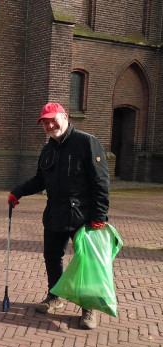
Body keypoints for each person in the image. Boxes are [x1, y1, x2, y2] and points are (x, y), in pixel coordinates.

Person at [8, 102, 109, 329]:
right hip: (54, 214)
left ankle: (88, 308)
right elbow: (39, 181)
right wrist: (18, 192)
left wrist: (100, 215)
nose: (50, 125)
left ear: (64, 117)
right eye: (45, 122)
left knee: (87, 264)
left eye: (53, 119)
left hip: (84, 216)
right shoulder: (48, 149)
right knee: (52, 257)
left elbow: (101, 182)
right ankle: (55, 297)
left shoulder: (86, 142)